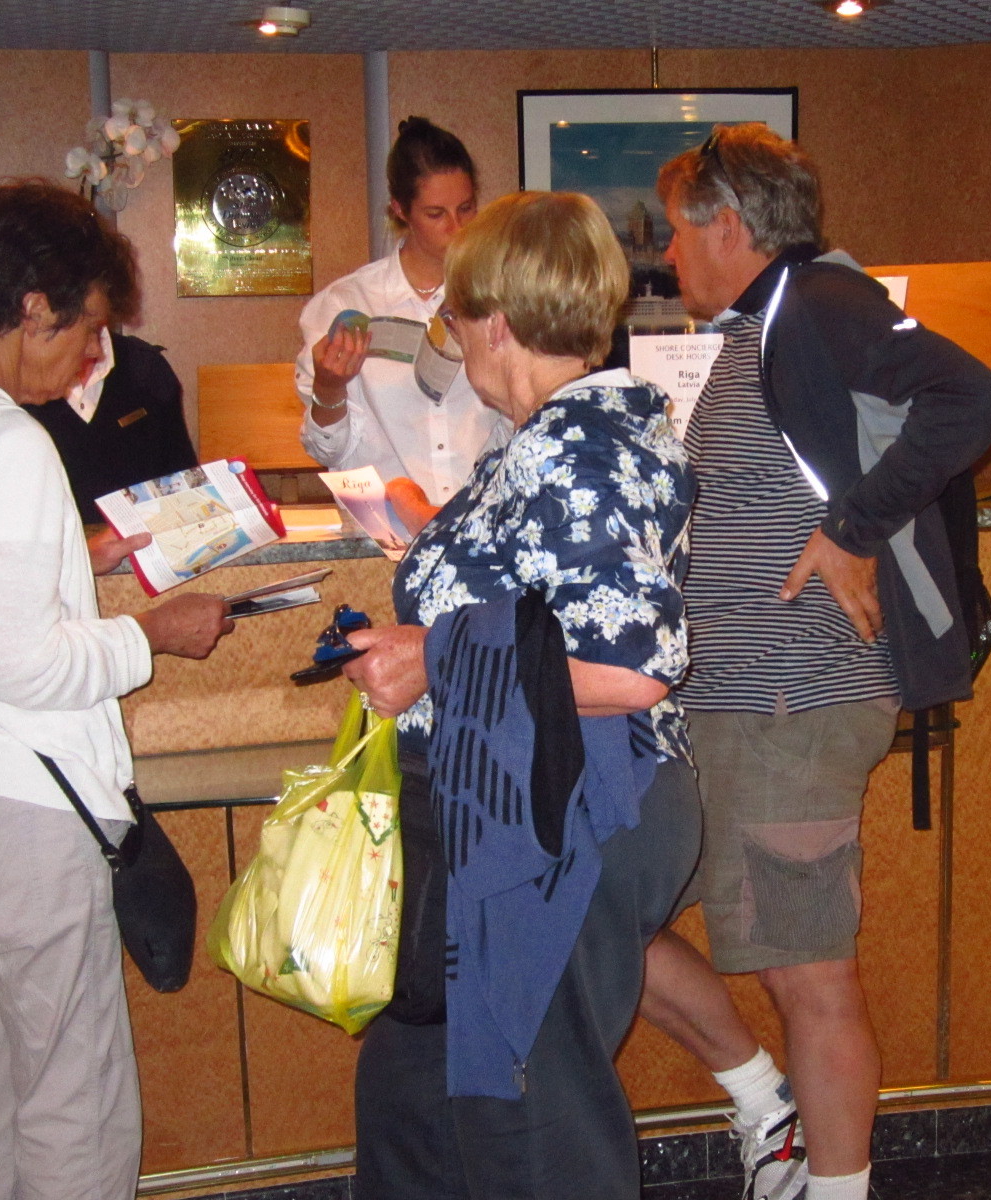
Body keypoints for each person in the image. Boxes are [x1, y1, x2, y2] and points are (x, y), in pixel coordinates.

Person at [639, 124, 991, 1200]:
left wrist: (853, 527)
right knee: (608, 918)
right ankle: (767, 1105)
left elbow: (977, 398)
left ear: (728, 226)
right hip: (732, 706)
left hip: (794, 699)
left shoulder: (818, 302)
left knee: (811, 976)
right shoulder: (762, 326)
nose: (667, 253)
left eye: (676, 231)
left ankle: (834, 1184)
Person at [0, 179, 236, 1200]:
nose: (90, 356)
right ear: (34, 307)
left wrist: (78, 555)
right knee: (76, 1106)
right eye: (85, 328)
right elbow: (20, 662)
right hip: (23, 818)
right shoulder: (6, 441)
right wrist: (150, 636)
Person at [340, 190, 700, 1200]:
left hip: (559, 812)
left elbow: (633, 667)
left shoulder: (572, 448)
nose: (452, 339)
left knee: (533, 1131)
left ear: (495, 322)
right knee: (422, 1099)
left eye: (454, 318)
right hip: (515, 804)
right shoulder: (561, 437)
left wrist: (434, 659)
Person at [296, 116, 509, 526]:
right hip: (384, 528)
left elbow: (520, 430)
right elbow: (328, 452)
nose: (458, 228)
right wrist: (329, 387)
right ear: (400, 210)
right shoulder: (346, 302)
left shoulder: (501, 296)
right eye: (436, 214)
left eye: (466, 208)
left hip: (478, 525)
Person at [25, 327, 199, 523]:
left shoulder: (146, 367)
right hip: (51, 539)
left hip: (142, 535)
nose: (94, 349)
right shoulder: (14, 383)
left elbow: (184, 486)